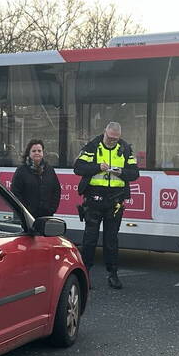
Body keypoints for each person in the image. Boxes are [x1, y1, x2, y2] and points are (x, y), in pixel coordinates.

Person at [74, 122, 140, 289]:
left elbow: (135, 173)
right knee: (90, 239)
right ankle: (85, 274)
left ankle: (113, 275)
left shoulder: (125, 149)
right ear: (105, 133)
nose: (112, 142)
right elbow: (78, 168)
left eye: (115, 139)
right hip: (94, 199)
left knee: (111, 240)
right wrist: (97, 167)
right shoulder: (92, 147)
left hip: (115, 202)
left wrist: (121, 172)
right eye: (110, 138)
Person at [10, 139, 62, 218]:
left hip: (46, 215)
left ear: (43, 153)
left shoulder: (49, 170)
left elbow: (56, 190)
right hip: (26, 216)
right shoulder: (21, 170)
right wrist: (24, 210)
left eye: (39, 151)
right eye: (34, 151)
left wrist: (52, 209)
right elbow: (15, 192)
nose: (37, 153)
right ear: (29, 153)